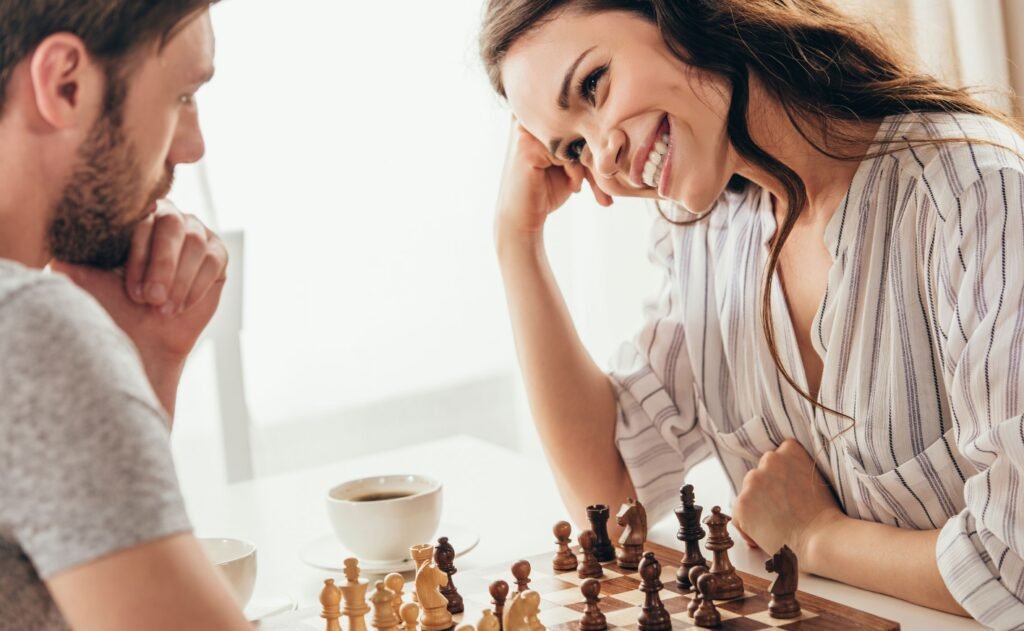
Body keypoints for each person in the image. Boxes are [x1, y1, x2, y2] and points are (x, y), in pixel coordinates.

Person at [479, 0, 1024, 627]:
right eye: (573, 146)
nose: (602, 158)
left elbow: (1014, 559)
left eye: (594, 84)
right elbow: (605, 504)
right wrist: (517, 240)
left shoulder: (977, 198)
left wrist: (815, 536)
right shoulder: (703, 236)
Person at [0, 2, 251, 629]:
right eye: (182, 97)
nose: (193, 146)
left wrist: (143, 365)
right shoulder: (29, 332)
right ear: (66, 84)